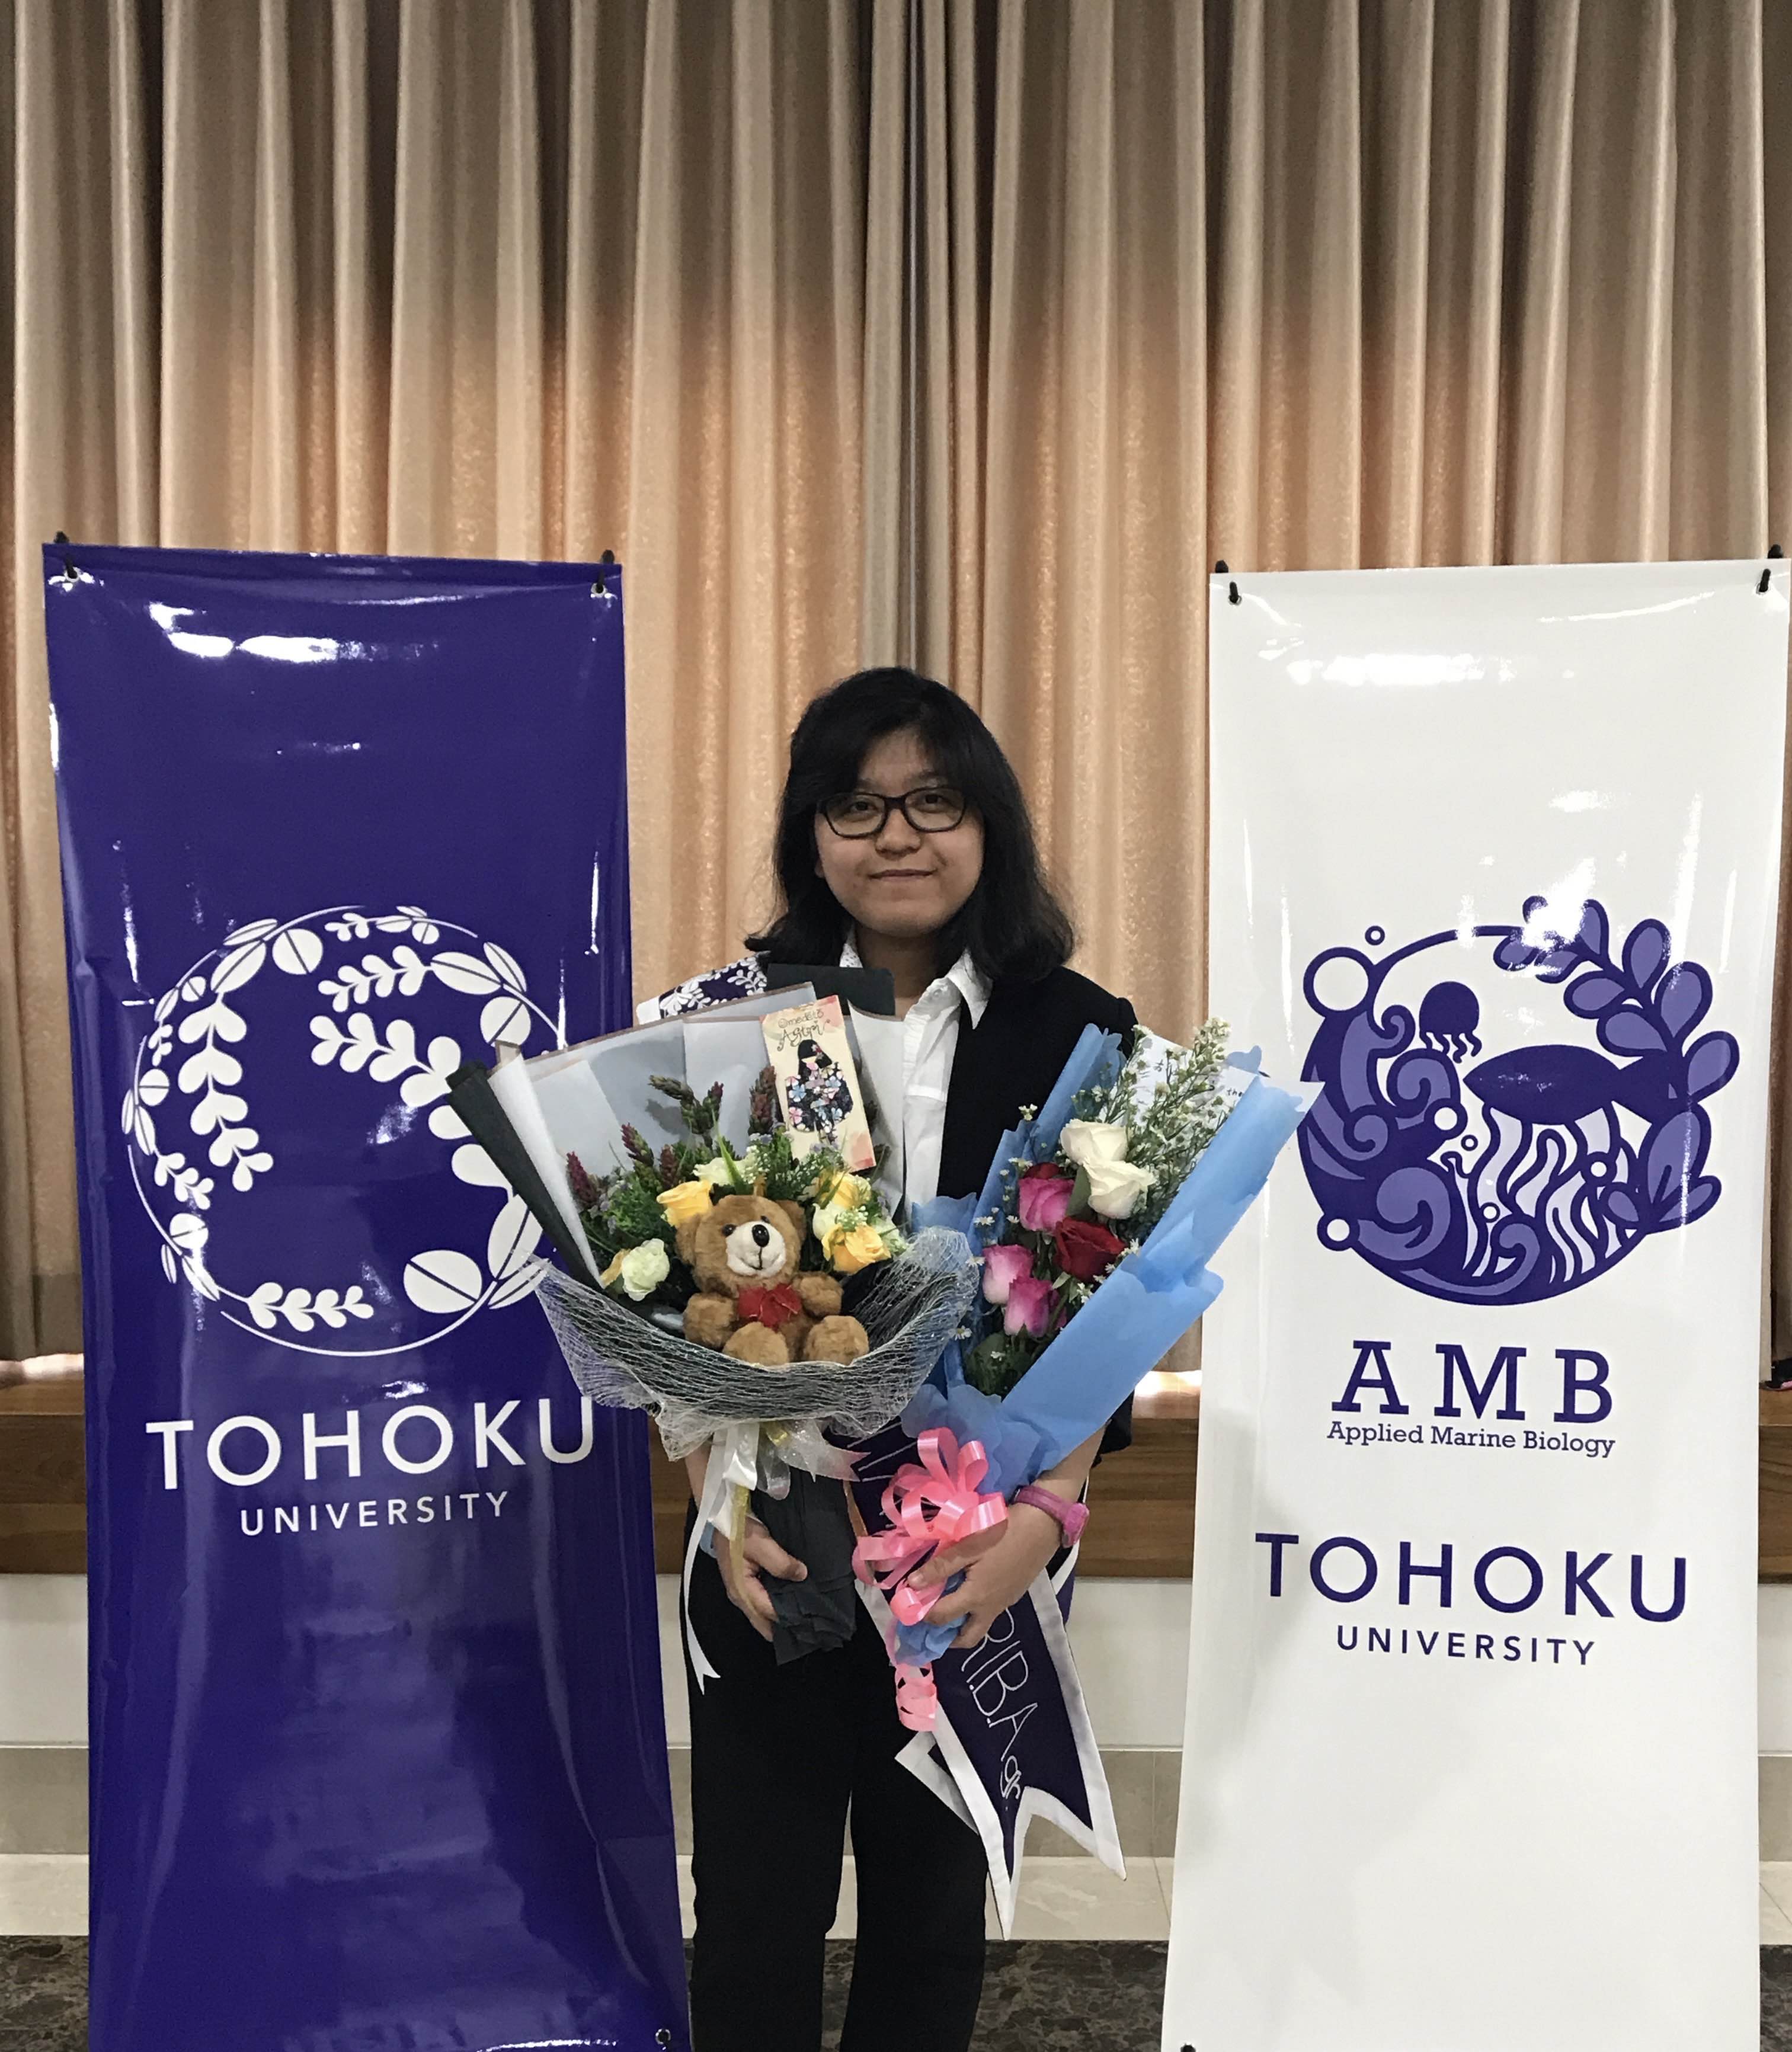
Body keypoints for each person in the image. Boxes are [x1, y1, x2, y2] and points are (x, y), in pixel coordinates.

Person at [668, 667, 1135, 2052]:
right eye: (856, 803)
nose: (897, 832)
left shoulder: (1077, 1029)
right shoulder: (741, 1016)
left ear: (989, 821)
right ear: (810, 833)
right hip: (780, 1541)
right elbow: (664, 1294)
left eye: (934, 798)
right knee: (754, 1915)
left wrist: (1048, 1517)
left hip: (972, 1550)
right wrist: (720, 1498)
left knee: (934, 1917)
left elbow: (1102, 1310)